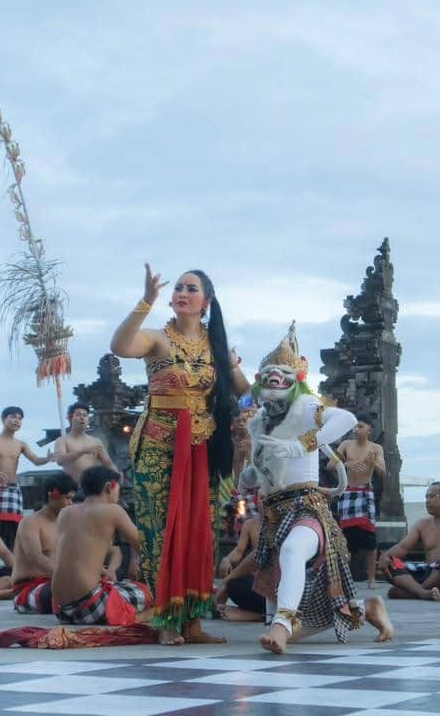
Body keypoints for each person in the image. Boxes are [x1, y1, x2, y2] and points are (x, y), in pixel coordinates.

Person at [110, 265, 251, 645]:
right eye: (178, 288)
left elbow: (245, 392)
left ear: (206, 302)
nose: (182, 293)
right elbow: (119, 346)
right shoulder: (157, 338)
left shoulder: (218, 347)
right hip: (159, 444)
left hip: (203, 446)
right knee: (161, 531)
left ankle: (192, 621)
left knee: (200, 533)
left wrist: (263, 403)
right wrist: (146, 301)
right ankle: (166, 620)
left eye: (191, 288)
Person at [242, 323, 393, 654]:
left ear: (294, 381)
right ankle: (367, 609)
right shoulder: (258, 422)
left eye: (281, 376)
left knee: (294, 551)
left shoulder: (306, 407)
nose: (273, 382)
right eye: (268, 376)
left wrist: (301, 445)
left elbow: (346, 421)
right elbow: (259, 469)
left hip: (305, 506)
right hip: (272, 514)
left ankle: (282, 627)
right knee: (296, 614)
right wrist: (250, 476)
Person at [52, 466, 153, 625]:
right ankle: (141, 617)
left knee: (122, 584)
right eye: (118, 488)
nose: (119, 494)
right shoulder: (113, 511)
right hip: (91, 606)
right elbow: (147, 548)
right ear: (108, 486)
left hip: (62, 609)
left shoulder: (65, 513)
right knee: (150, 593)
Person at [380, 482, 440, 601]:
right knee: (390, 562)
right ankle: (425, 592)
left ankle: (416, 591)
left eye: (432, 496)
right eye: (426, 497)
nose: (427, 501)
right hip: (428, 574)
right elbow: (403, 547)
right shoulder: (422, 524)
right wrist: (386, 556)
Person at [0, 406, 53, 551]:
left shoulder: (21, 444)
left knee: (14, 531)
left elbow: (36, 460)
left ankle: (12, 568)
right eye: (13, 417)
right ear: (3, 418)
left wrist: (48, 459)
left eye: (20, 418)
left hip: (14, 491)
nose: (17, 421)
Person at [331, 413, 386, 589]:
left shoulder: (376, 448)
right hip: (347, 492)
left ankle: (371, 578)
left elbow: (383, 472)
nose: (356, 429)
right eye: (354, 426)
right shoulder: (345, 445)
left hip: (365, 492)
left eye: (360, 426)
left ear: (369, 429)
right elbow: (330, 465)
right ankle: (343, 577)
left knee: (369, 537)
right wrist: (345, 464)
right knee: (345, 536)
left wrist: (373, 463)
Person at [10, 473, 76, 614]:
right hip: (28, 589)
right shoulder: (30, 522)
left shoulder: (68, 524)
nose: (71, 503)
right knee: (71, 590)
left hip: (58, 581)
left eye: (72, 499)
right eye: (68, 498)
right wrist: (70, 576)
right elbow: (36, 558)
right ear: (52, 495)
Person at [215, 512, 265, 621]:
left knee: (230, 580)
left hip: (278, 586)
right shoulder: (250, 523)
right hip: (258, 582)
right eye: (261, 498)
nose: (265, 501)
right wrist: (227, 559)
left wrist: (227, 580)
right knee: (234, 585)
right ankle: (257, 613)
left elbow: (258, 555)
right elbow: (239, 551)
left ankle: (259, 616)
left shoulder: (285, 523)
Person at [54, 403, 117, 487]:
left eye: (85, 415)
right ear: (70, 418)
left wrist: (117, 474)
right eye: (78, 415)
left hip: (91, 488)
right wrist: (83, 451)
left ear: (88, 419)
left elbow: (108, 463)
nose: (82, 418)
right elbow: (60, 460)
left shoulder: (96, 441)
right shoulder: (62, 441)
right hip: (71, 487)